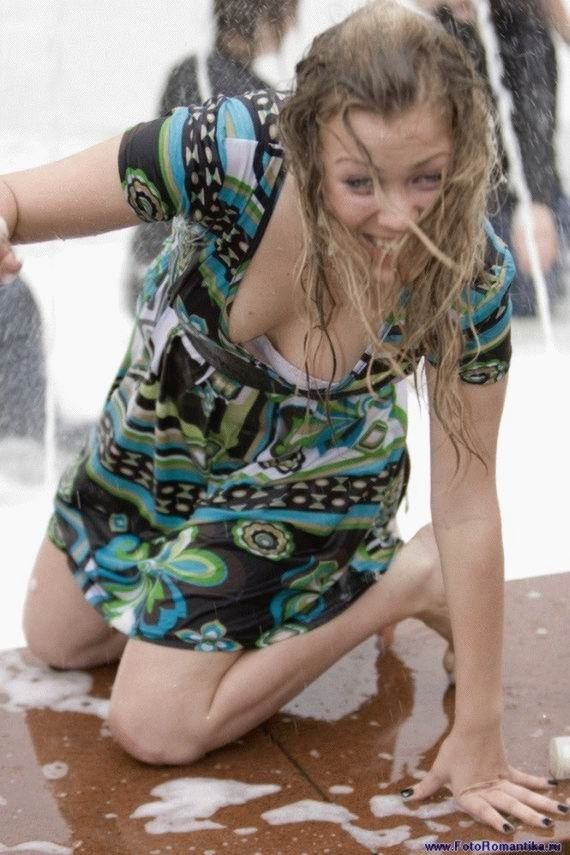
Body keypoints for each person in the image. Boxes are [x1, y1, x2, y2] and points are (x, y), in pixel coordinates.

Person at [0, 0, 566, 834]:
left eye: (426, 177)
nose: (398, 217)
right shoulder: (228, 148)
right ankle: (296, 588)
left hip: (316, 466)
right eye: (360, 181)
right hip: (168, 419)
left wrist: (478, 732)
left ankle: (406, 579)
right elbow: (17, 198)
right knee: (55, 638)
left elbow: (471, 498)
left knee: (154, 725)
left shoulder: (468, 270)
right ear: (307, 143)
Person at [124, 0, 299, 314]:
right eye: (289, 14)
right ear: (262, 15)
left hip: (156, 262)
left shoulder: (188, 72)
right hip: (191, 279)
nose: (292, 27)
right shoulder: (254, 99)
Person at [416, 0, 570, 316]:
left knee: (515, 298)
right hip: (464, 202)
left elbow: (535, 119)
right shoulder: (434, 33)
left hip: (518, 201)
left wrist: (537, 202)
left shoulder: (524, 26)